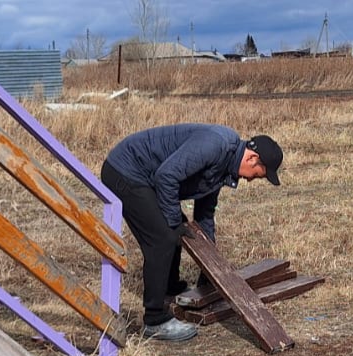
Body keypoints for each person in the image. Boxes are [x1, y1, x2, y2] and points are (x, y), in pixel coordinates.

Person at [100, 124, 284, 342]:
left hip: (149, 178)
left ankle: (169, 289)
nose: (253, 180)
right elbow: (166, 176)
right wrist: (173, 224)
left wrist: (210, 265)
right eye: (259, 175)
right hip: (126, 171)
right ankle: (155, 319)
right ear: (253, 158)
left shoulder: (224, 165)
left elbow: (205, 213)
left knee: (179, 228)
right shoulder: (215, 145)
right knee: (163, 239)